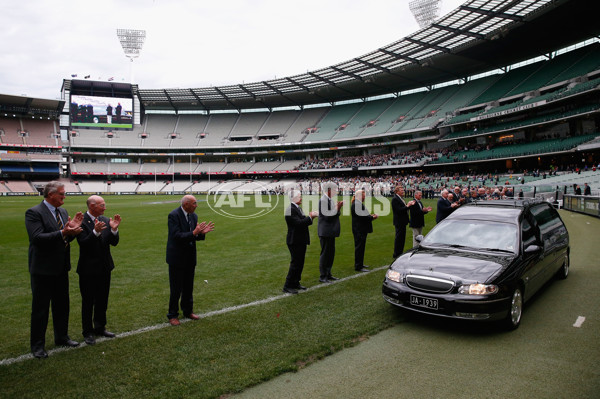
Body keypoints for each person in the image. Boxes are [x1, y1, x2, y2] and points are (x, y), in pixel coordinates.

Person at [25, 181, 84, 358]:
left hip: (60, 268)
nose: (64, 196)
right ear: (50, 195)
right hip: (43, 269)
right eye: (61, 194)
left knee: (62, 305)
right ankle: (37, 345)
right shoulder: (34, 213)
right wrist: (64, 232)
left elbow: (64, 240)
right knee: (40, 309)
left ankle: (62, 337)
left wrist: (72, 232)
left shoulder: (63, 212)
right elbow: (37, 238)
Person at [76, 195, 121, 345]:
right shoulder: (81, 221)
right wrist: (94, 232)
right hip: (88, 269)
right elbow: (83, 243)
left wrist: (114, 230)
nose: (105, 208)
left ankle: (100, 327)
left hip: (104, 267)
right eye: (102, 205)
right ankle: (87, 332)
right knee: (88, 301)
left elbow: (113, 243)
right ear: (92, 206)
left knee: (102, 300)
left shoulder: (106, 220)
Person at [166, 195, 215, 326]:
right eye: (194, 203)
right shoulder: (174, 215)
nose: (196, 205)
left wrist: (201, 234)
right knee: (176, 288)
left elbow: (193, 237)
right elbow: (176, 236)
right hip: (176, 257)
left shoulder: (194, 216)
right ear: (186, 204)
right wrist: (194, 233)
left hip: (190, 257)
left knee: (188, 286)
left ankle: (188, 311)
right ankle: (172, 315)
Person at [283, 190, 318, 294]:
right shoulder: (290, 209)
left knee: (300, 263)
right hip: (295, 240)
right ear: (294, 198)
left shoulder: (296, 208)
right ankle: (287, 286)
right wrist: (311, 217)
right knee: (295, 263)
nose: (301, 198)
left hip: (300, 239)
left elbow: (303, 221)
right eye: (299, 196)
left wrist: (311, 217)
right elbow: (299, 224)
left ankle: (295, 282)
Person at [318, 182, 343, 283]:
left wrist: (337, 208)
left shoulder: (329, 200)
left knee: (330, 253)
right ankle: (323, 275)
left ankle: (328, 273)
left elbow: (335, 214)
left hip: (330, 231)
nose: (336, 191)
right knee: (325, 254)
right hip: (325, 231)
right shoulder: (323, 200)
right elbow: (328, 216)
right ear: (329, 190)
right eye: (334, 189)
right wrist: (338, 208)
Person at [351, 190, 378, 272]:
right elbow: (362, 217)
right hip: (359, 229)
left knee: (361, 247)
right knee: (359, 247)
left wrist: (370, 216)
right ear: (359, 196)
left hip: (360, 229)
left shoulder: (357, 204)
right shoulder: (357, 204)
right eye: (363, 195)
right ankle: (358, 266)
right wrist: (372, 217)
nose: (364, 197)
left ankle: (360, 263)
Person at [392, 186, 415, 258]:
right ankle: (396, 253)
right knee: (399, 238)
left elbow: (404, 208)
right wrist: (408, 205)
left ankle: (400, 252)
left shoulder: (401, 198)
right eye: (401, 190)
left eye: (403, 190)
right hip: (399, 221)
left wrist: (409, 205)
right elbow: (398, 210)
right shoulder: (395, 199)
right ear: (397, 191)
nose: (403, 192)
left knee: (402, 238)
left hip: (403, 221)